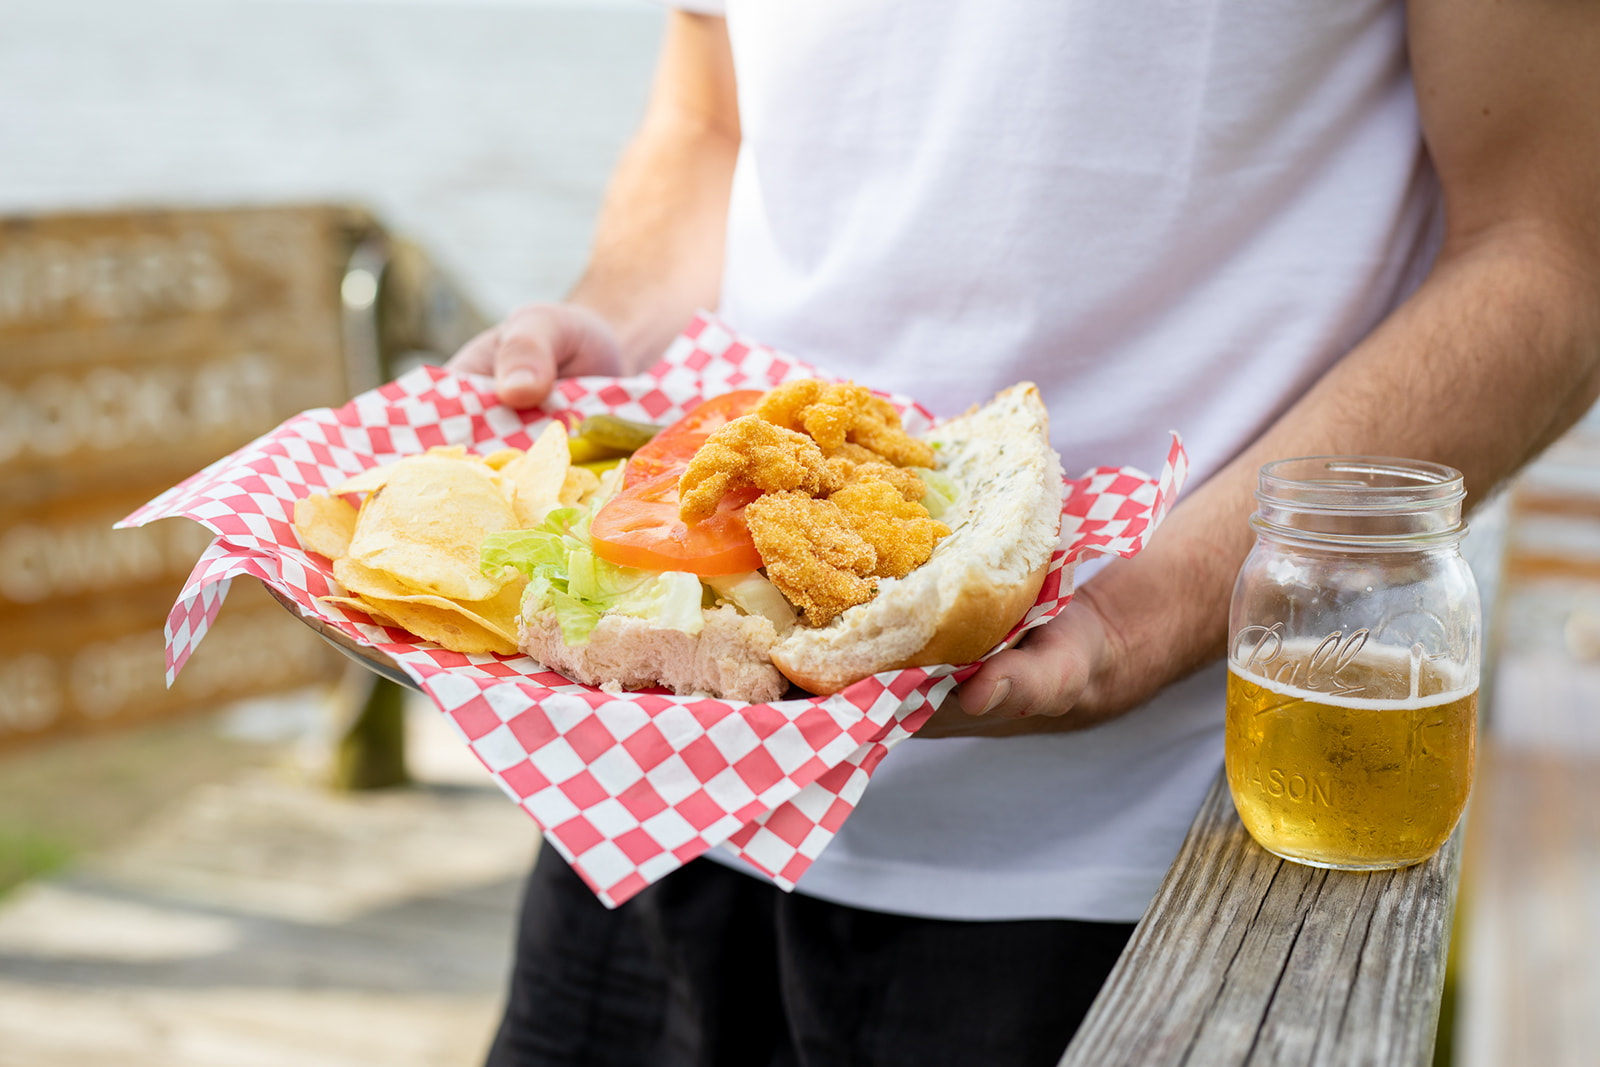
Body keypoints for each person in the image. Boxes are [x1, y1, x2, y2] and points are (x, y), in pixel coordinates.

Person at [449, 3, 1600, 1064]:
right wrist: (611, 311)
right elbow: (709, 113)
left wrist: (1141, 619)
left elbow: (1552, 255)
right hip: (651, 788)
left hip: (1143, 865)